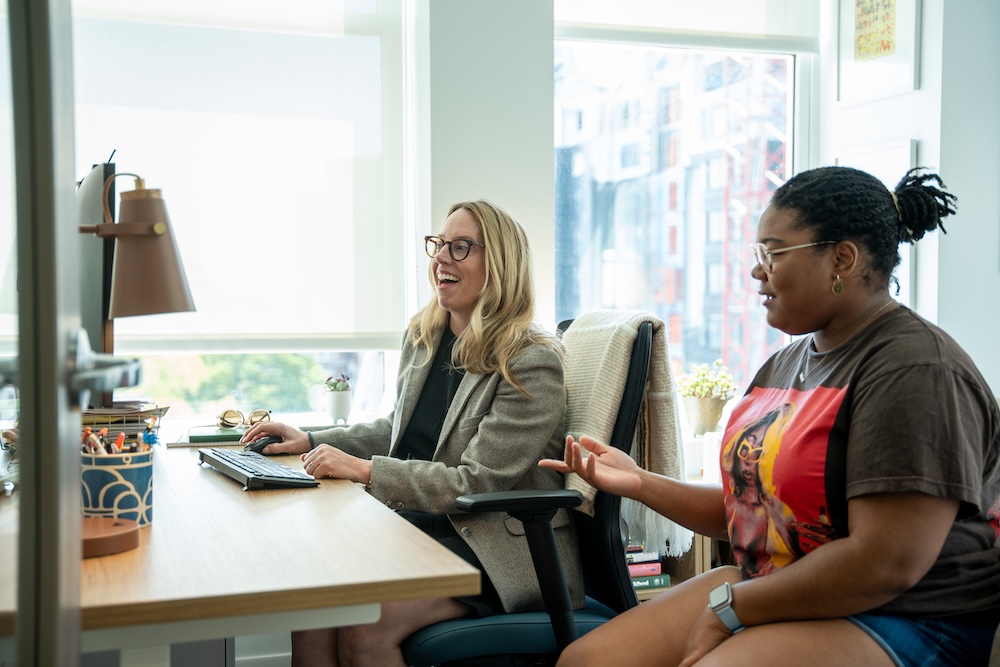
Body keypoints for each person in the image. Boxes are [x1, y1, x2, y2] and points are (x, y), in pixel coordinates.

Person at [540, 166, 1000, 667]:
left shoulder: (913, 368)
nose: (757, 271)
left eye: (773, 253)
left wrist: (732, 608)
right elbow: (758, 517)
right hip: (785, 583)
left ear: (841, 259)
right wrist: (639, 482)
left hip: (905, 615)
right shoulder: (787, 361)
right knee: (585, 662)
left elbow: (885, 563)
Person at [241, 199, 583, 667]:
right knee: (316, 599)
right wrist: (313, 439)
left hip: (498, 551)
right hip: (424, 530)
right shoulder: (426, 335)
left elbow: (474, 482)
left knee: (366, 626)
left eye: (460, 247)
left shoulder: (530, 362)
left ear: (500, 264)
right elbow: (396, 431)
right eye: (439, 245)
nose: (440, 258)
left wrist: (363, 470)